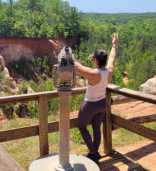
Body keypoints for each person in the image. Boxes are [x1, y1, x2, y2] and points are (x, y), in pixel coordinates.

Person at [49, 33, 119, 161]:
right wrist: (114, 44)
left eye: (93, 59)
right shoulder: (109, 71)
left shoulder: (93, 73)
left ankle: (93, 152)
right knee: (97, 128)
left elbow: (74, 63)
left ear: (97, 60)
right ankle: (94, 153)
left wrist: (60, 49)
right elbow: (112, 57)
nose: (92, 60)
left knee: (81, 126)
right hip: (102, 103)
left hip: (90, 105)